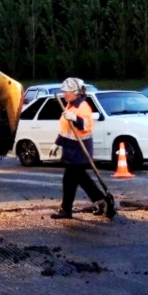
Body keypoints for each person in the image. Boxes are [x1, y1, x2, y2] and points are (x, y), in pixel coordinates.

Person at [49, 78, 116, 220]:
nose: (64, 94)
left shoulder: (82, 106)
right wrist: (57, 143)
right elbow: (66, 129)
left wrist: (75, 118)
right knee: (79, 180)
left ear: (75, 92)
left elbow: (86, 126)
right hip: (71, 149)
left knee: (70, 181)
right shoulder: (70, 105)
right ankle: (101, 201)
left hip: (79, 150)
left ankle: (67, 209)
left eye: (66, 91)